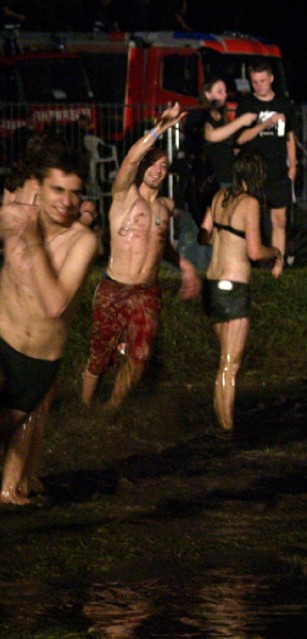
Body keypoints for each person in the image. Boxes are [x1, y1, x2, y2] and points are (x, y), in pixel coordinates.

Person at [81, 103, 201, 410]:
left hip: (147, 292)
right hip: (115, 289)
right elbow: (132, 157)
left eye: (163, 166)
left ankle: (111, 410)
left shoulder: (164, 207)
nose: (159, 171)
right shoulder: (123, 195)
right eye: (153, 164)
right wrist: (160, 127)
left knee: (140, 356)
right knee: (99, 356)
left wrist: (184, 265)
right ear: (142, 168)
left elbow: (162, 246)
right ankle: (84, 409)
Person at [0, 145, 98, 505]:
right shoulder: (14, 218)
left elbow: (56, 303)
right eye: (58, 190)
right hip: (1, 339)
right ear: (38, 187)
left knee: (16, 430)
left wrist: (32, 239)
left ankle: (11, 490)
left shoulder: (83, 241)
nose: (67, 201)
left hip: (38, 362)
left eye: (75, 192)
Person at [198, 150, 283, 431]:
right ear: (257, 175)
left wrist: (224, 242)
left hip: (212, 285)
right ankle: (226, 428)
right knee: (230, 365)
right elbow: (255, 251)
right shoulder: (249, 203)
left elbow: (204, 234)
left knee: (224, 362)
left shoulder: (219, 197)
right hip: (233, 287)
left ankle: (221, 422)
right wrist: (277, 252)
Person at [236, 60, 298, 274]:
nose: (259, 86)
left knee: (279, 220)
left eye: (263, 81)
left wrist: (293, 164)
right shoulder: (247, 106)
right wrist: (264, 124)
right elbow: (241, 138)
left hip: (278, 170)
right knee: (252, 221)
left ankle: (278, 266)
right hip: (254, 173)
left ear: (271, 79)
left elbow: (289, 136)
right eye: (255, 82)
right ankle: (252, 263)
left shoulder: (284, 104)